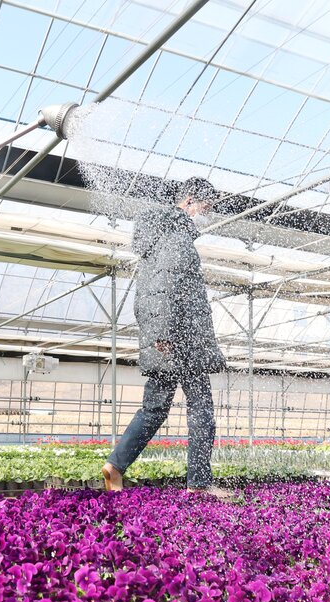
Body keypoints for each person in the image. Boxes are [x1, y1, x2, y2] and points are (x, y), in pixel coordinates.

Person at [102, 177, 231, 497]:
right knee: (202, 409)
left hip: (169, 337)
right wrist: (164, 335)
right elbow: (163, 287)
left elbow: (153, 288)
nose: (208, 213)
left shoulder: (159, 238)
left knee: (155, 408)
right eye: (206, 207)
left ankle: (116, 465)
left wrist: (160, 334)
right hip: (183, 338)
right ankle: (199, 484)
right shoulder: (176, 238)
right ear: (189, 202)